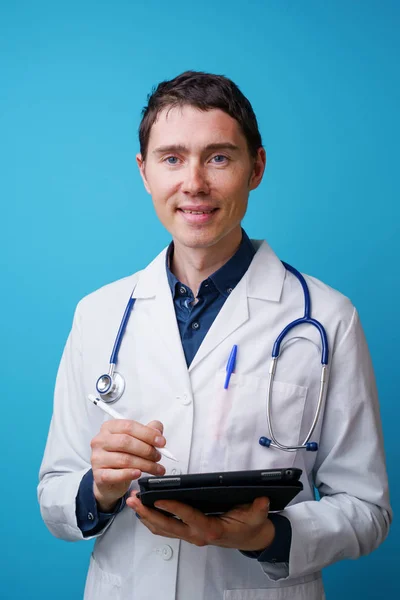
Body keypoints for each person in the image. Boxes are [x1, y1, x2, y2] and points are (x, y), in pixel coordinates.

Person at [38, 71, 392, 600]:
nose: (194, 183)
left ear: (257, 168)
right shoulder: (98, 314)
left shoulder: (327, 317)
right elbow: (54, 496)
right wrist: (100, 489)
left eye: (219, 157)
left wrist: (269, 535)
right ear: (144, 172)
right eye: (172, 158)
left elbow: (368, 510)